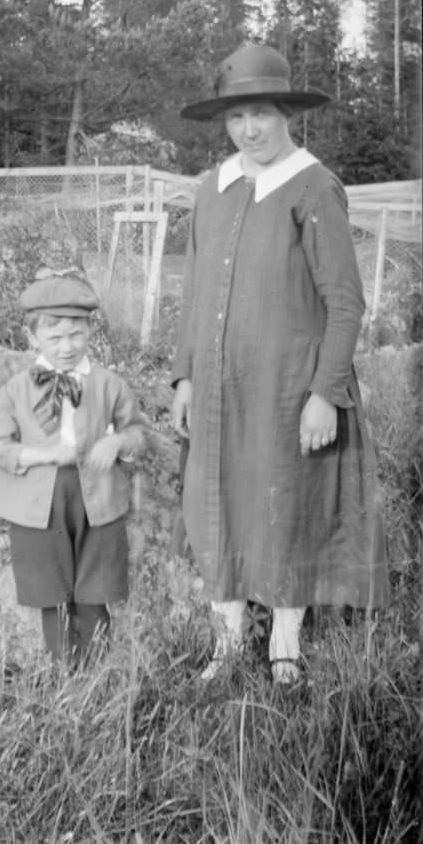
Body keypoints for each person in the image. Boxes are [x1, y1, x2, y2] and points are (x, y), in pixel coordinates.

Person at [171, 44, 388, 684]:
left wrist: (325, 392)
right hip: (216, 389)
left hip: (288, 391)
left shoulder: (313, 186)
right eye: (237, 118)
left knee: (285, 506)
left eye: (261, 113)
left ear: (285, 113)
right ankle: (228, 645)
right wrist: (184, 376)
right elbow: (194, 293)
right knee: (219, 502)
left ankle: (284, 647)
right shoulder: (211, 189)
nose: (250, 130)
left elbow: (346, 304)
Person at [0, 269, 145, 665]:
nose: (67, 347)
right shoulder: (16, 389)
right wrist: (43, 456)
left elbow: (139, 432)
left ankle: (99, 678)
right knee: (52, 595)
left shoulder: (109, 385)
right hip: (38, 507)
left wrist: (118, 441)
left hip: (98, 500)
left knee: (96, 592)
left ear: (91, 332)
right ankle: (64, 678)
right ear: (32, 338)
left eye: (77, 335)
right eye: (55, 338)